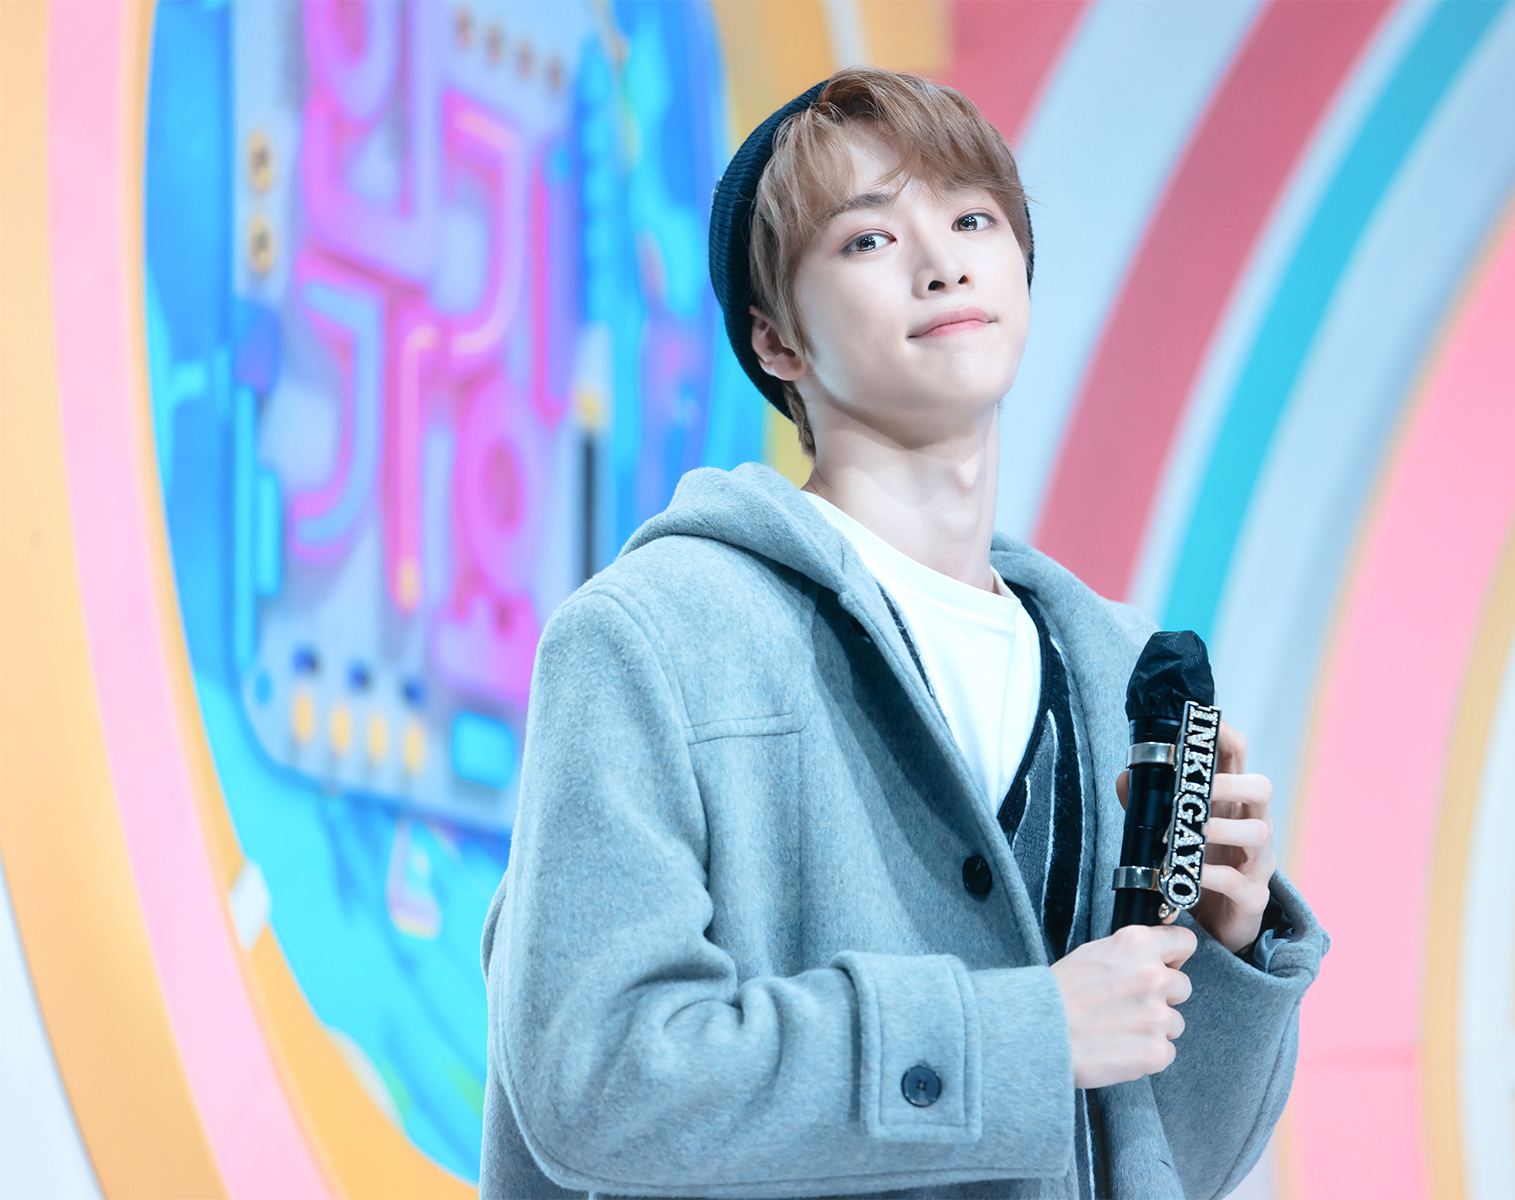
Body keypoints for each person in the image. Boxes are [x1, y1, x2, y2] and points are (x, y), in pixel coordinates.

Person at [479, 67, 1327, 1200]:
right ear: (776, 341)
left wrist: (1222, 947)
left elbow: (1165, 1160)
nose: (942, 262)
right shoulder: (652, 639)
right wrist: (1022, 1034)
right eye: (869, 239)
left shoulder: (1112, 673)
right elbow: (596, 1078)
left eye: (974, 219)